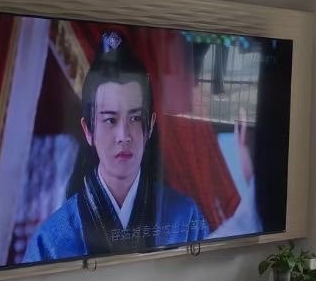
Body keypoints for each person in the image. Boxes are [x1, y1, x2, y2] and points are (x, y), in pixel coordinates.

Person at [24, 45, 210, 262]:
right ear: (88, 130)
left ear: (150, 126)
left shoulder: (186, 217)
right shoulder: (51, 240)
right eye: (110, 120)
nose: (124, 136)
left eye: (135, 118)